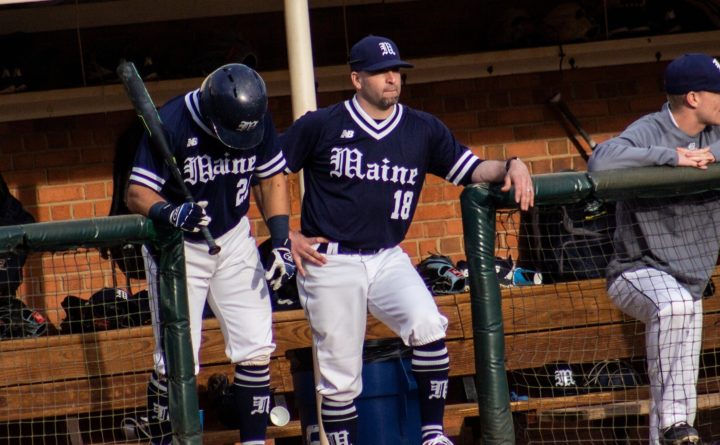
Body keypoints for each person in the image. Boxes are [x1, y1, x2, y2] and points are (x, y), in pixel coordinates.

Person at [280, 35, 534, 445]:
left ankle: (432, 433)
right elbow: (266, 169)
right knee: (341, 378)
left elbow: (469, 168)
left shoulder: (421, 128)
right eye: (381, 72)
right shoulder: (322, 124)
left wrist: (513, 164)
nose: (392, 78)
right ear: (356, 78)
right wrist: (283, 234)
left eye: (396, 70)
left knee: (429, 326)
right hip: (331, 260)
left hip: (386, 257)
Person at [123, 63, 295, 445]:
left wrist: (281, 240)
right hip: (178, 246)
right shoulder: (172, 121)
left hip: (233, 236)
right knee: (178, 360)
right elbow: (136, 192)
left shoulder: (256, 119)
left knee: (256, 345)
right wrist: (170, 211)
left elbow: (271, 177)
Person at [588, 53, 720, 445]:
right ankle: (674, 423)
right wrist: (671, 158)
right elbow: (601, 161)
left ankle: (670, 433)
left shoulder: (715, 133)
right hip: (636, 272)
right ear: (693, 97)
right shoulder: (650, 129)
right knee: (675, 306)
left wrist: (712, 157)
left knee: (683, 316)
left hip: (691, 279)